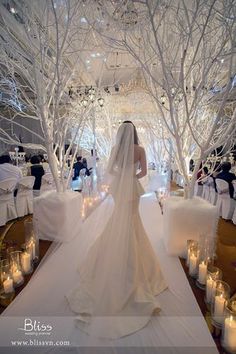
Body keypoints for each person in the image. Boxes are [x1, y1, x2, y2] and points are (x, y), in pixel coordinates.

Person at [66, 121, 167, 338]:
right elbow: (144, 173)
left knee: (118, 219)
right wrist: (130, 175)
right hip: (131, 188)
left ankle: (112, 254)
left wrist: (122, 175)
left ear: (121, 133)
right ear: (135, 133)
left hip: (119, 189)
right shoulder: (140, 150)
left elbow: (111, 168)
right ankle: (130, 260)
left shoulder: (115, 149)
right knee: (132, 221)